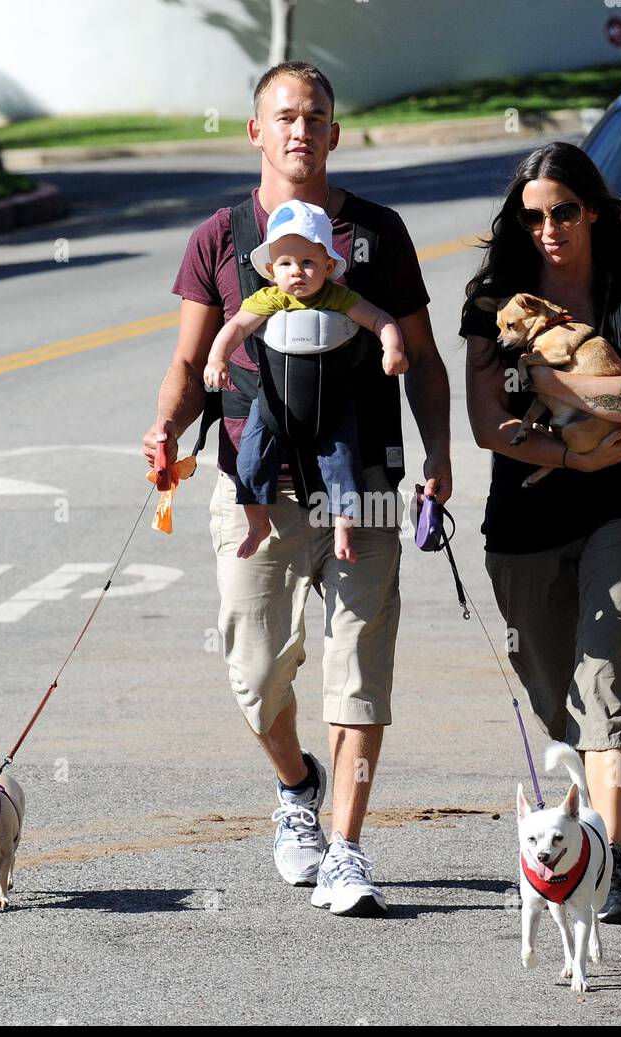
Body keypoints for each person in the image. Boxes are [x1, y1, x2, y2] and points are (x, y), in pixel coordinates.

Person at [145, 61, 451, 917]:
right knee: (253, 673)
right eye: (283, 116)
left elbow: (420, 357)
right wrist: (167, 429)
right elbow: (189, 360)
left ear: (335, 131)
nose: (300, 130)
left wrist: (438, 454)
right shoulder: (221, 236)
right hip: (256, 486)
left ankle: (348, 848)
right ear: (255, 131)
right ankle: (296, 784)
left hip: (367, 489)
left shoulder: (378, 235)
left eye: (315, 116)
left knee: (358, 672)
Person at [460, 141, 621, 924]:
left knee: (607, 686)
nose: (550, 227)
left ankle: (610, 866)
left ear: (593, 211)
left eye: (566, 212)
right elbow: (488, 423)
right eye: (536, 215)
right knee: (560, 705)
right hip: (524, 521)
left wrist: (548, 380)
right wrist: (565, 453)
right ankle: (587, 833)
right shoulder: (493, 302)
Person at [203, 198, 409, 564]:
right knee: (248, 462)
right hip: (271, 408)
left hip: (332, 405)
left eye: (308, 262)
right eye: (285, 263)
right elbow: (234, 327)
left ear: (329, 266)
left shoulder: (339, 298)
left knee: (343, 462)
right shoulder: (268, 299)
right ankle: (258, 523)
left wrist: (391, 348)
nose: (296, 271)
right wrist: (217, 358)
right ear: (270, 270)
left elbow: (381, 319)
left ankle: (344, 526)